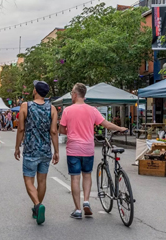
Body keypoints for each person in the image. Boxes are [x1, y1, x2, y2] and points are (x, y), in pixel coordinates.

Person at [59, 83, 127, 219]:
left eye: (72, 92)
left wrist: (71, 131)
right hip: (88, 148)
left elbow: (61, 130)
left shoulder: (67, 110)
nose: (71, 94)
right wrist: (120, 128)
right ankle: (86, 202)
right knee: (87, 175)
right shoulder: (92, 110)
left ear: (75, 94)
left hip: (73, 149)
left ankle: (78, 210)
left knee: (75, 178)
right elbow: (106, 124)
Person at [14, 80, 59, 225]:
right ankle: (36, 208)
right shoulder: (52, 109)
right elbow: (53, 131)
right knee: (42, 181)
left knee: (28, 180)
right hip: (45, 149)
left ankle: (37, 205)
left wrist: (17, 147)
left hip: (30, 150)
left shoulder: (25, 106)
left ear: (36, 91)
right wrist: (56, 151)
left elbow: (21, 129)